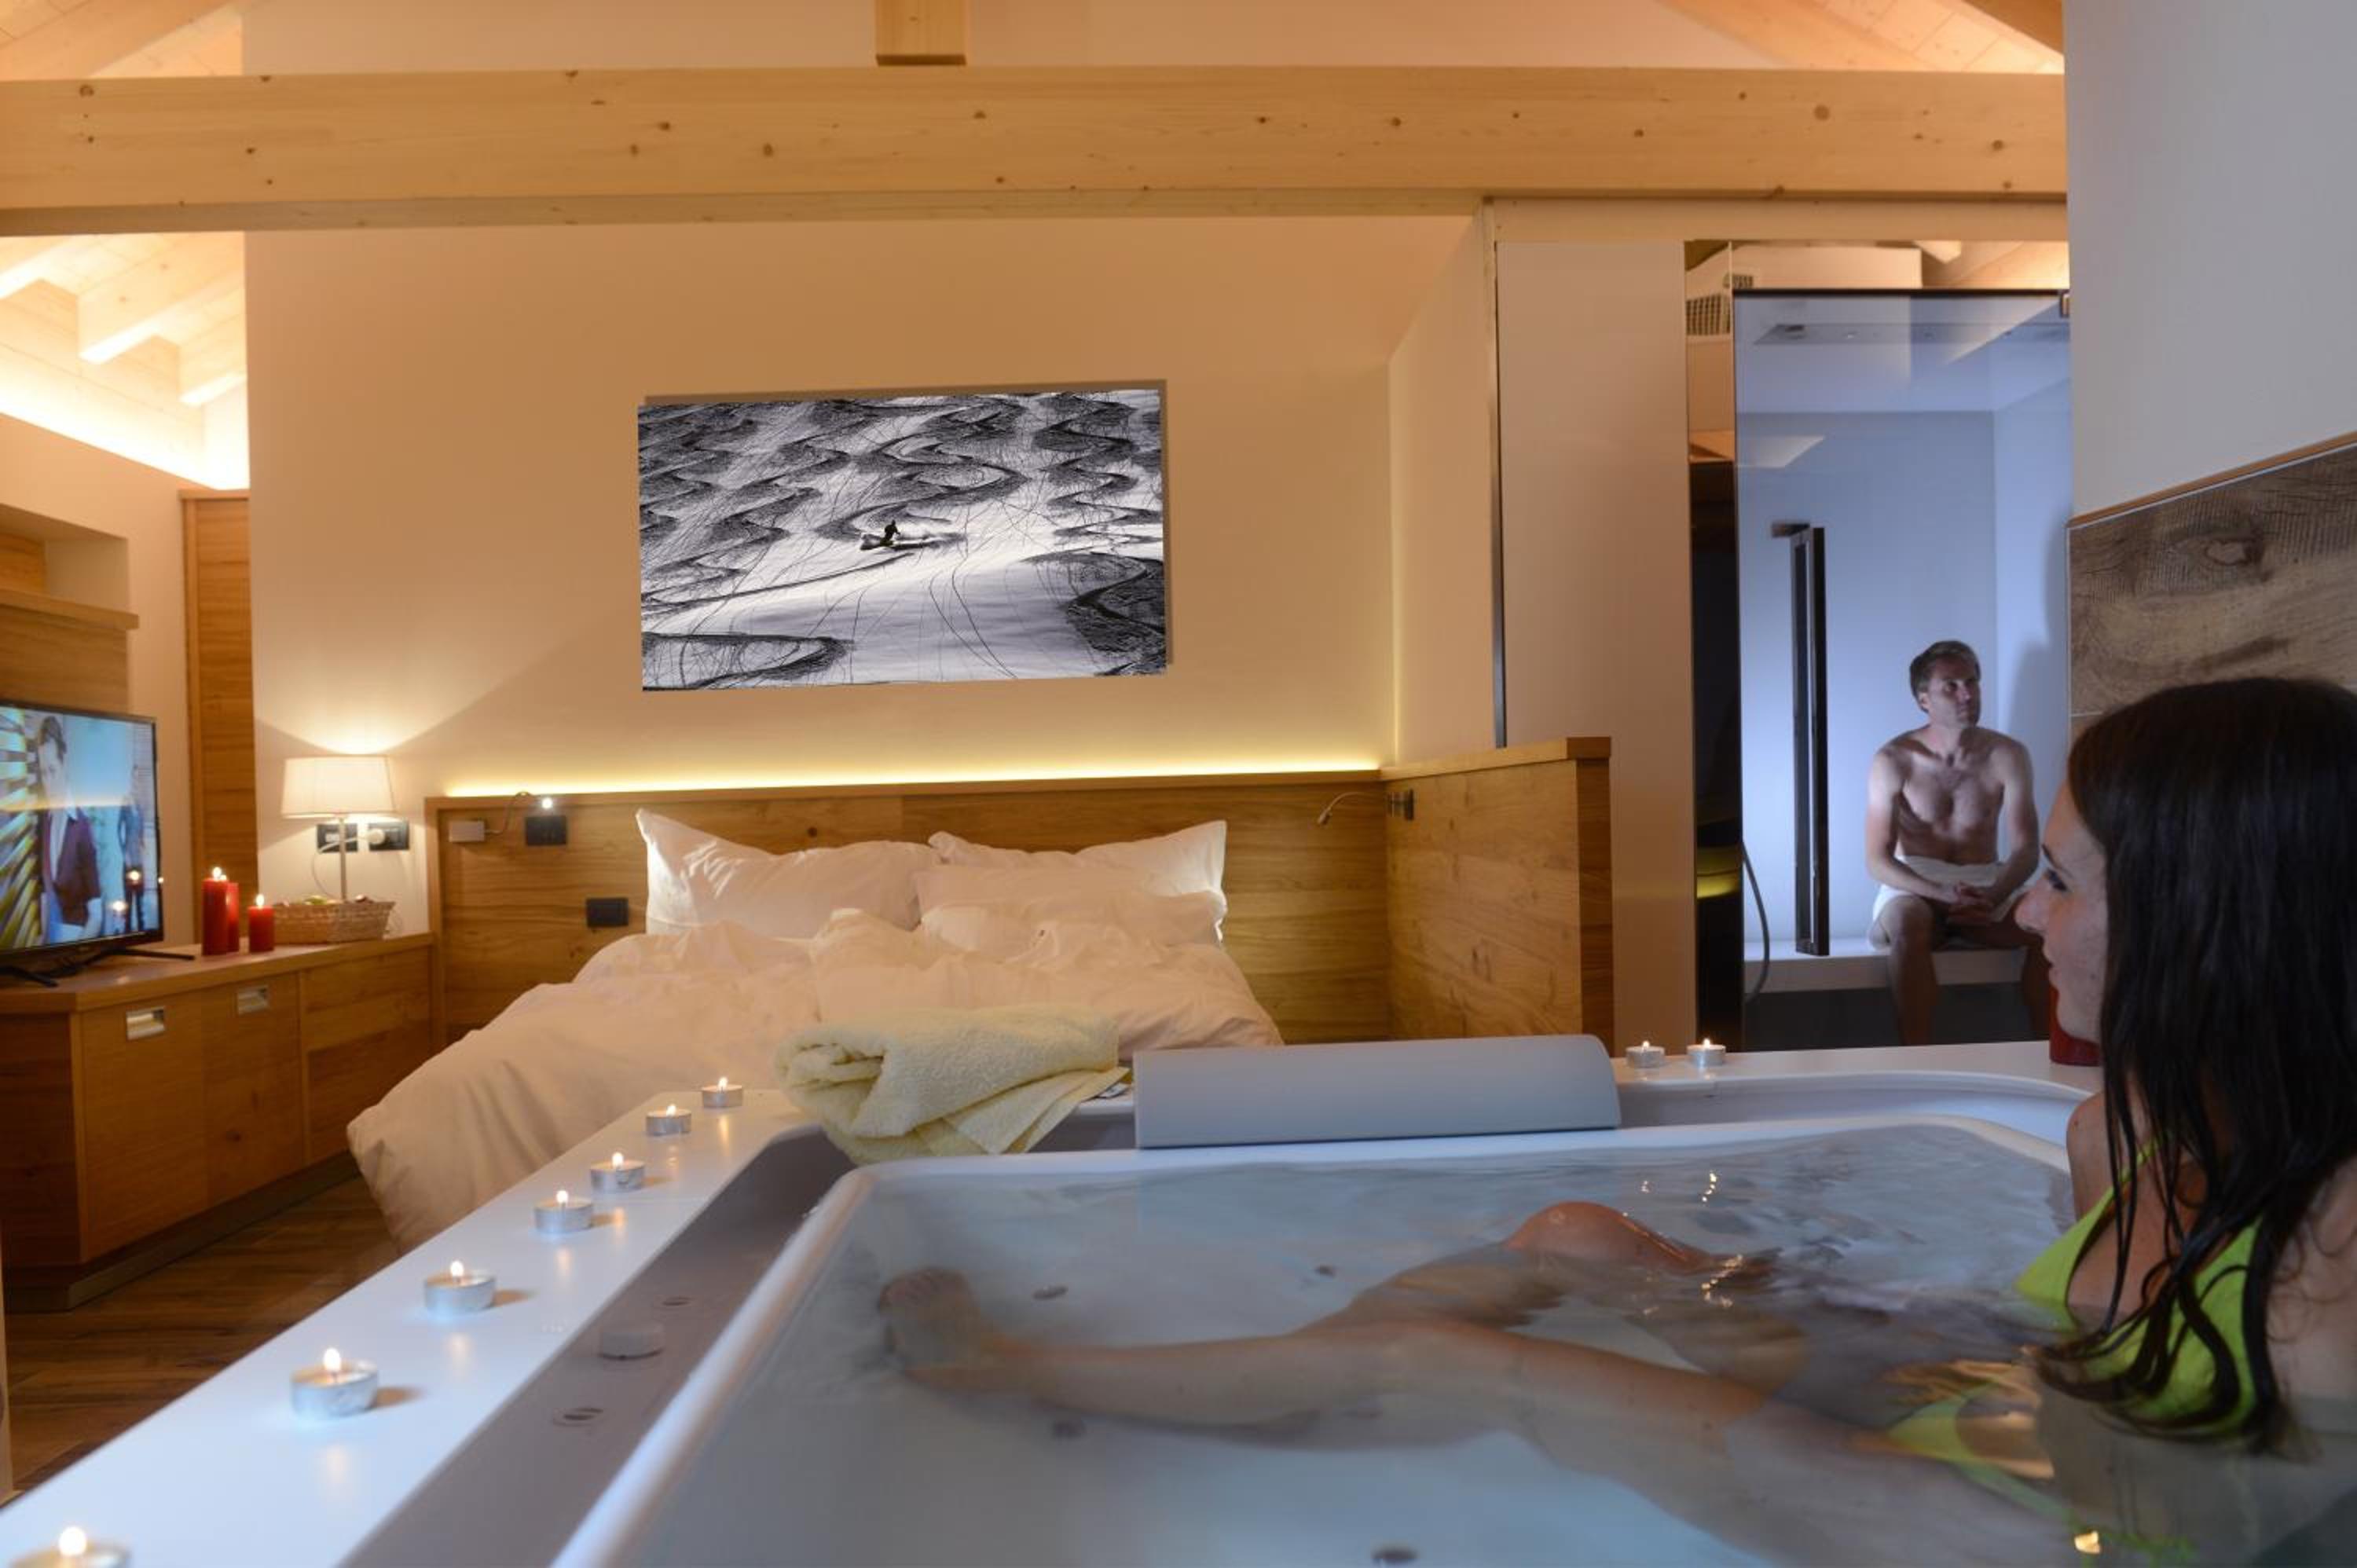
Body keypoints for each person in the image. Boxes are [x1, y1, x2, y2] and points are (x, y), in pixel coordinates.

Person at [878, 679, 2357, 1558]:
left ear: (2213, 921)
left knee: (1446, 1357)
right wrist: (1881, 1346)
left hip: (2034, 1538)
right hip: (2009, 1420)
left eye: (2066, 881)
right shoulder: (2125, 1135)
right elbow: (2084, 1369)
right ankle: (1302, 1394)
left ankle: (1019, 1367)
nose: (2026, 911)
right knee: (1577, 1232)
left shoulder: (2342, 1248)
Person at [1864, 639, 2050, 1045]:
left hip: (1985, 883)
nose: (1967, 695)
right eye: (1951, 686)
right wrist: (1941, 894)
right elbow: (1877, 860)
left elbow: (2025, 850)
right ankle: (1917, 1058)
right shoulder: (1894, 759)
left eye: (1972, 683)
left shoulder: (2007, 754)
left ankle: (2047, 1050)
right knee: (1908, 924)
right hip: (1916, 883)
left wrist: (1992, 895)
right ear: (1924, 700)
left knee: (2050, 923)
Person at [29, 715, 101, 944]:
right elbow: (46, 892)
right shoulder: (45, 820)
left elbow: (97, 915)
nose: (49, 783)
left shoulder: (82, 827)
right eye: (43, 773)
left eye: (53, 770)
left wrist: (75, 950)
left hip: (77, 943)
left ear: (64, 763)